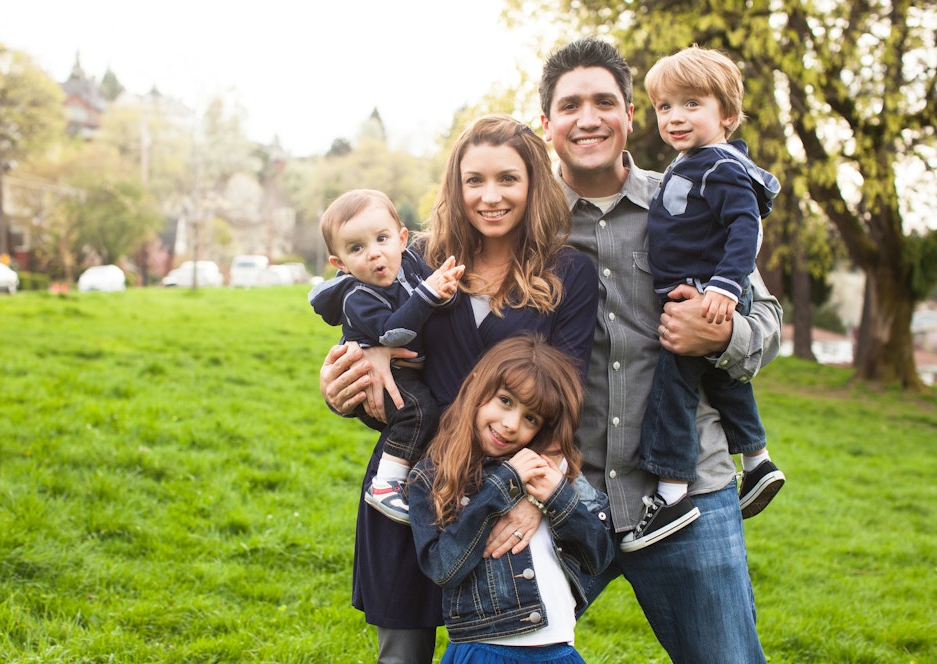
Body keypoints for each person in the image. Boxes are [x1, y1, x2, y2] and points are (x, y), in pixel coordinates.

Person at [526, 37, 782, 663]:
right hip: (560, 492)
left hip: (690, 491)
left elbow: (768, 319)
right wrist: (364, 357)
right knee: (501, 646)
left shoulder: (691, 199)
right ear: (547, 124)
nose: (588, 118)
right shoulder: (524, 221)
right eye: (571, 105)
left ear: (631, 116)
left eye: (605, 102)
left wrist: (722, 334)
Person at [318, 114, 598, 663]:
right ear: (456, 185)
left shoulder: (568, 272)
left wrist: (534, 499)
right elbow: (374, 353)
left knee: (502, 652)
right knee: (402, 653)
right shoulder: (414, 258)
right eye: (475, 180)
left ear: (534, 183)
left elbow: (566, 397)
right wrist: (342, 388)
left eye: (508, 179)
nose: (490, 196)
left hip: (502, 493)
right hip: (411, 489)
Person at [619, 45, 786, 552]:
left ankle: (670, 494)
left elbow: (744, 228)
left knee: (675, 391)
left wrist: (724, 288)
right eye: (665, 106)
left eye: (692, 104)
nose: (675, 116)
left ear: (727, 115)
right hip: (697, 289)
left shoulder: (721, 167)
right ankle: (756, 461)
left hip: (706, 294)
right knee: (721, 377)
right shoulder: (690, 163)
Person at [408, 333, 612, 663]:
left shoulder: (548, 473)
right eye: (505, 401)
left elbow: (598, 557)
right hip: (487, 649)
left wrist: (559, 498)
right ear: (477, 386)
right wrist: (503, 487)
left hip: (559, 651)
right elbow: (443, 567)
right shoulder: (432, 477)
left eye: (531, 418)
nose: (510, 424)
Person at [309, 189, 465, 524]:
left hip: (405, 369)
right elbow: (394, 334)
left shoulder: (409, 264)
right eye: (356, 248)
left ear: (402, 238)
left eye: (382, 239)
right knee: (419, 412)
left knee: (424, 412)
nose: (374, 254)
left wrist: (445, 290)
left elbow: (435, 301)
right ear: (340, 263)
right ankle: (387, 482)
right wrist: (428, 294)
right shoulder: (359, 296)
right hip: (382, 379)